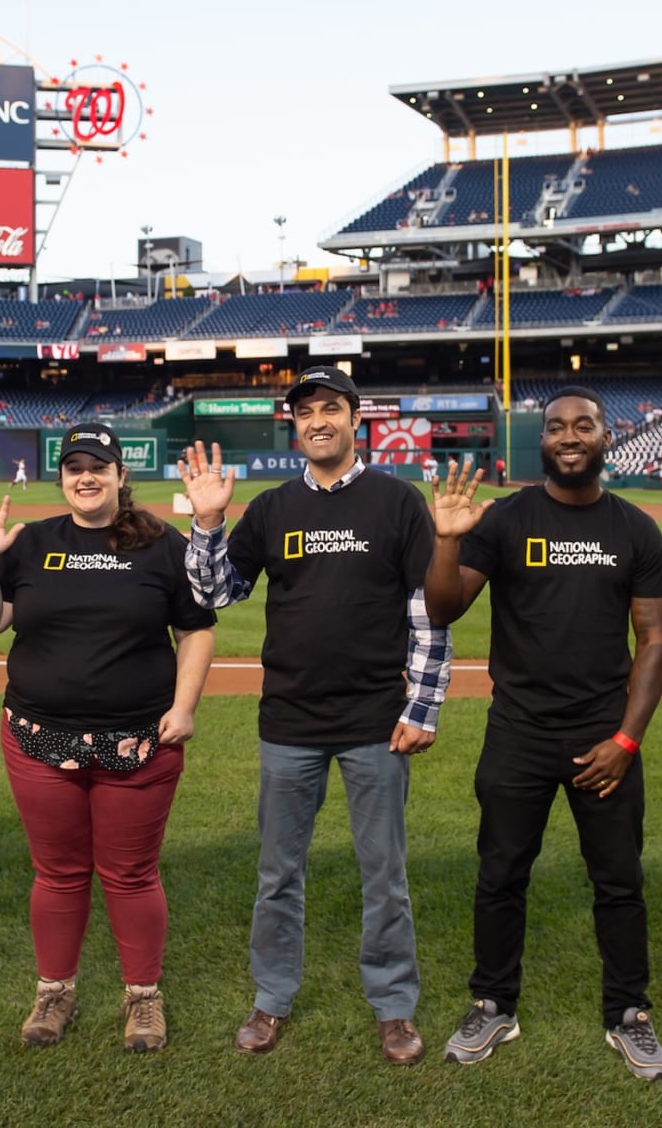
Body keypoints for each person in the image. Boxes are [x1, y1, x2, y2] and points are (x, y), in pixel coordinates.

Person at [177, 365, 451, 1066]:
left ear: (355, 419)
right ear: (294, 426)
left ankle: (393, 1007)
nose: (318, 420)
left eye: (331, 408)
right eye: (306, 412)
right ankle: (271, 998)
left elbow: (428, 611)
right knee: (278, 873)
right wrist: (208, 523)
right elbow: (217, 593)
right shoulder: (272, 508)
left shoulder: (397, 501)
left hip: (376, 719)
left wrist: (422, 705)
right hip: (290, 719)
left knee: (384, 873)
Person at [421, 387, 662, 1079]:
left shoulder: (636, 529)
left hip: (605, 735)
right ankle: (493, 1004)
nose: (570, 435)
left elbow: (654, 642)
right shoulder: (507, 519)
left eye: (584, 425)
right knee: (501, 874)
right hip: (518, 733)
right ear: (543, 440)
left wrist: (626, 740)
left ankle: (630, 1013)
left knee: (619, 881)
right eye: (558, 426)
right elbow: (443, 607)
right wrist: (447, 543)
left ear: (605, 437)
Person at [0, 424, 217, 1052]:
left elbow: (197, 628)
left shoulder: (161, 543)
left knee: (130, 874)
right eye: (75, 467)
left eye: (98, 466)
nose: (86, 477)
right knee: (58, 873)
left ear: (120, 475)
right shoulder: (33, 542)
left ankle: (143, 1000)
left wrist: (185, 707)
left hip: (140, 742)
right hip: (40, 738)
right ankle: (54, 992)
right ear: (62, 478)